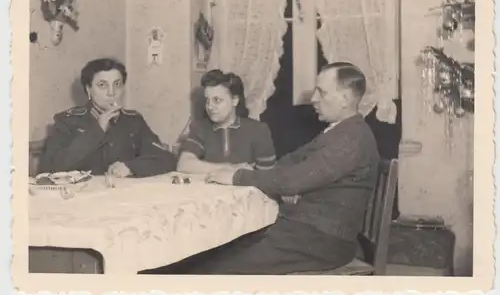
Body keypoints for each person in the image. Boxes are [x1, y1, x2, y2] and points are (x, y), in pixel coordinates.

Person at [180, 62, 380, 275]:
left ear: (345, 99)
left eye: (321, 92)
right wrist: (252, 172)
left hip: (322, 240)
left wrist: (238, 176)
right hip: (309, 230)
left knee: (213, 267)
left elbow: (292, 182)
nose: (313, 98)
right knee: (216, 251)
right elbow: (292, 161)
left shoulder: (350, 139)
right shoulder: (339, 131)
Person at [38, 58, 177, 178]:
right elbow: (49, 168)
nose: (111, 93)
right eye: (102, 85)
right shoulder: (68, 121)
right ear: (88, 90)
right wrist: (96, 130)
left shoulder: (133, 121)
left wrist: (131, 167)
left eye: (117, 84)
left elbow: (166, 159)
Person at [176, 69, 276, 174]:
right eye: (207, 100)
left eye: (217, 100)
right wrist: (230, 168)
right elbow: (183, 165)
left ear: (235, 100)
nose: (210, 107)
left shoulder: (258, 131)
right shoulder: (200, 128)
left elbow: (268, 178)